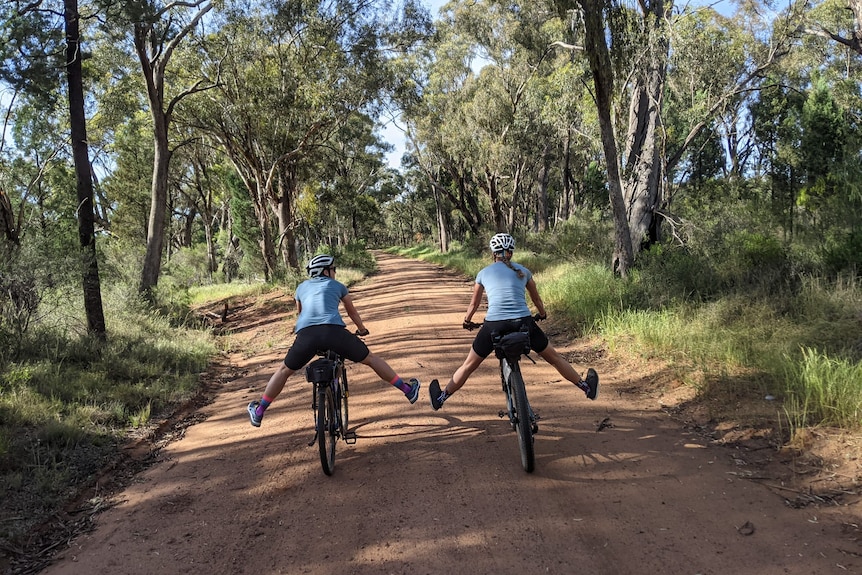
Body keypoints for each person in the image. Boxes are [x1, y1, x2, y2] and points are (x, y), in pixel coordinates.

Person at [429, 233, 598, 410]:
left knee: (469, 366)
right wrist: (542, 314)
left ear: (493, 253)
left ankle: (441, 398)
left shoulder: (483, 273)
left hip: (494, 325)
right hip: (524, 323)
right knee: (554, 358)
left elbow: (474, 303)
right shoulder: (523, 271)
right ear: (511, 252)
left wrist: (467, 320)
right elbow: (537, 301)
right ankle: (586, 387)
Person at [247, 254, 420, 427]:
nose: (335, 272)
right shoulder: (338, 286)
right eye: (333, 269)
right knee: (371, 360)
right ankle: (407, 390)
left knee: (284, 370)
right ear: (326, 271)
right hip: (334, 332)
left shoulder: (300, 288)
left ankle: (260, 411)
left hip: (307, 335)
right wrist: (361, 329)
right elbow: (351, 312)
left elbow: (300, 314)